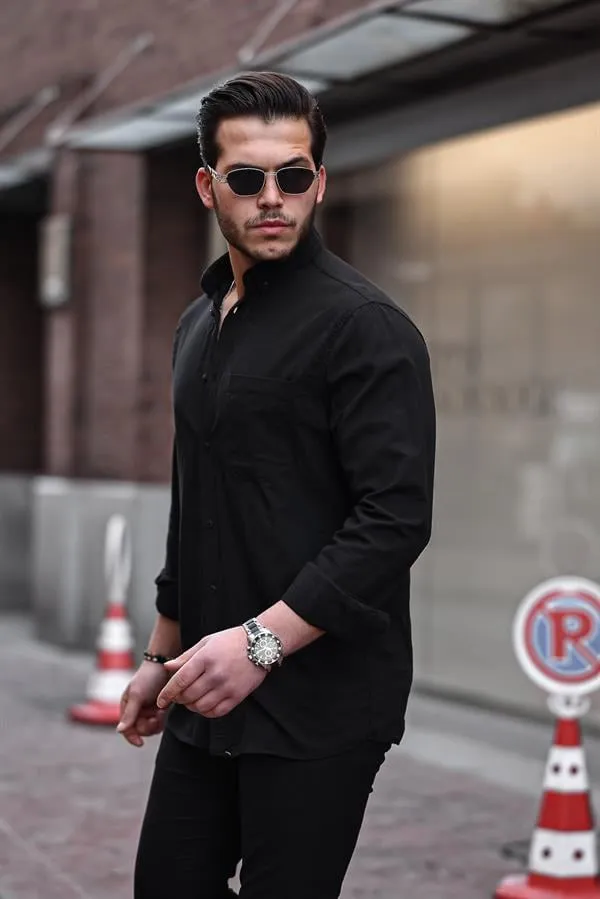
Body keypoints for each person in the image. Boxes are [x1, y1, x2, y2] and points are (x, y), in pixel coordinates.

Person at [118, 71, 436, 899]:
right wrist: (161, 654)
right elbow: (196, 502)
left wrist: (260, 643)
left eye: (293, 176)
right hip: (207, 686)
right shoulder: (198, 322)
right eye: (247, 178)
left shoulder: (366, 329)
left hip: (320, 705)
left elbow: (394, 519)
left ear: (318, 183)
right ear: (207, 187)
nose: (272, 197)